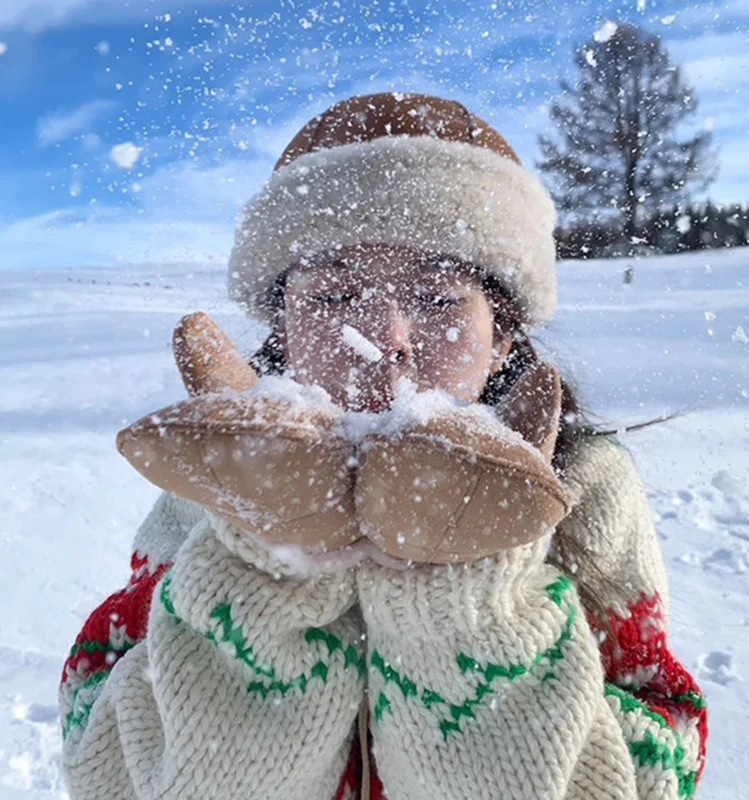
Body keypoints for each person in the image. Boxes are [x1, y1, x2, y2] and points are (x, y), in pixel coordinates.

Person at [58, 92, 707, 800]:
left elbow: (659, 763)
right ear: (284, 330)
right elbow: (104, 759)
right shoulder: (216, 491)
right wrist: (262, 570)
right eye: (334, 297)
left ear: (505, 337)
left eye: (438, 299)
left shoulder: (581, 488)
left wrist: (468, 601)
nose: (385, 340)